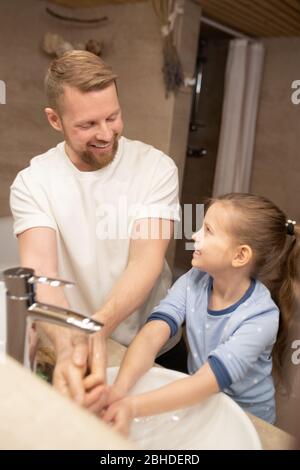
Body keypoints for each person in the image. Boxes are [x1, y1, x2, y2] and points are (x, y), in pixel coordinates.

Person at [10, 50, 184, 410]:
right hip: (69, 340)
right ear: (54, 119)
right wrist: (68, 342)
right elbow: (42, 273)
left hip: (151, 343)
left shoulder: (155, 168)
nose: (106, 133)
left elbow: (145, 262)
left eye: (113, 116)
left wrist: (97, 327)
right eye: (88, 124)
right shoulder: (33, 182)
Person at [102, 193, 300, 435]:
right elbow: (152, 335)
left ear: (240, 255)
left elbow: (207, 381)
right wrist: (119, 391)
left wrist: (131, 407)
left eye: (207, 230)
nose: (195, 235)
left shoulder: (261, 317)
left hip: (248, 423)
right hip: (205, 403)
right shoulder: (193, 280)